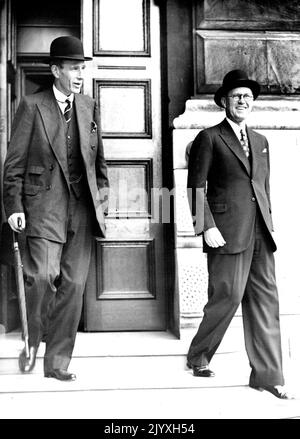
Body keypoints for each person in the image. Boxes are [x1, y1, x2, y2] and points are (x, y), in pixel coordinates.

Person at [3, 36, 109, 381]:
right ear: (55, 70)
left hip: (81, 208)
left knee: (74, 285)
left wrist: (102, 203)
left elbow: (99, 163)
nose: (80, 75)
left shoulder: (89, 106)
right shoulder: (32, 106)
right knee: (42, 278)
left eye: (82, 68)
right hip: (42, 207)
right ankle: (34, 341)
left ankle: (58, 361)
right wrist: (14, 206)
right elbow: (14, 164)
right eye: (75, 68)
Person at [186, 69, 292, 399]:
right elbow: (195, 187)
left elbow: (263, 187)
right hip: (226, 233)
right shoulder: (210, 138)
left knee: (265, 302)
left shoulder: (261, 142)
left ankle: (268, 376)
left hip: (261, 233)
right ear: (224, 102)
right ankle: (198, 356)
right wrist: (206, 227)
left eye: (247, 96)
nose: (243, 101)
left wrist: (270, 224)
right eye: (236, 96)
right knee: (228, 297)